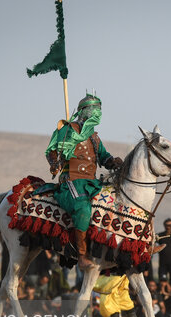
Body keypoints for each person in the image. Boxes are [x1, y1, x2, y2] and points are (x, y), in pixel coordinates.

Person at [45, 93, 122, 268]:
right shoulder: (66, 130)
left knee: (116, 201)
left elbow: (104, 158)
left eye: (99, 110)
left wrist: (114, 162)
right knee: (83, 208)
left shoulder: (94, 137)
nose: (98, 113)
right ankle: (81, 255)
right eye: (95, 109)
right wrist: (55, 162)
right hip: (71, 181)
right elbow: (52, 151)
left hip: (91, 183)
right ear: (84, 111)